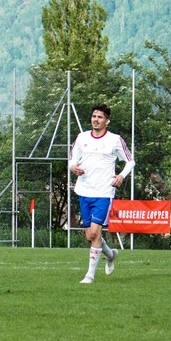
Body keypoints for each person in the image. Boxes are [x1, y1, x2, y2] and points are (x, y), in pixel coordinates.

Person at [68, 103, 134, 284]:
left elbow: (130, 161)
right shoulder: (82, 137)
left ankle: (89, 275)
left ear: (107, 121)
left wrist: (121, 176)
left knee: (96, 232)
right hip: (84, 190)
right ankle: (111, 254)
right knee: (90, 236)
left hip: (104, 193)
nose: (96, 120)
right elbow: (72, 158)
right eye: (94, 116)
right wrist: (73, 167)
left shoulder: (115, 140)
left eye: (100, 117)